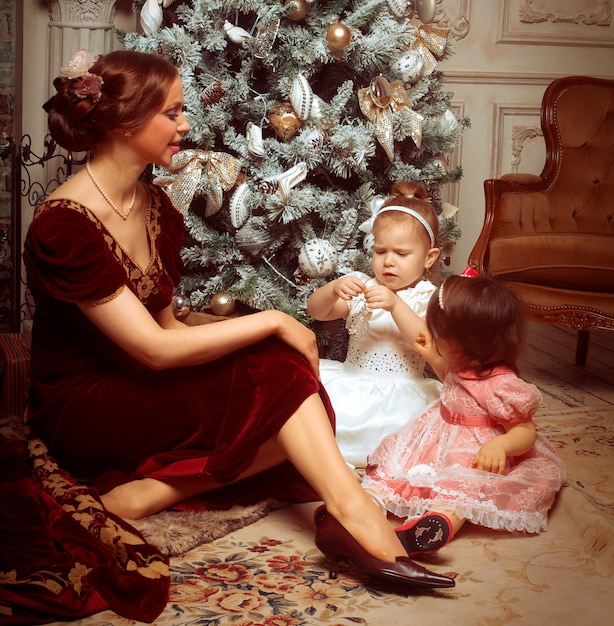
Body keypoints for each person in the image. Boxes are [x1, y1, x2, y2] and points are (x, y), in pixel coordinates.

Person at [22, 49, 454, 592]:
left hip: (142, 377)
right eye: (172, 113)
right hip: (85, 404)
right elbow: (154, 348)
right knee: (278, 369)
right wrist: (273, 319)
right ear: (127, 121)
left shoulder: (154, 205)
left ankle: (169, 492)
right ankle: (359, 516)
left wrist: (268, 339)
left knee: (289, 379)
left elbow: (171, 329)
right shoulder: (65, 225)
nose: (186, 124)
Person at [362, 273, 567, 556]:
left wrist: (501, 445)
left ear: (470, 343)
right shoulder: (460, 363)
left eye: (440, 335)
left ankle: (440, 521)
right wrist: (433, 356)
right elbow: (451, 379)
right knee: (394, 468)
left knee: (461, 489)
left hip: (473, 450)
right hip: (436, 437)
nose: (433, 336)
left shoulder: (502, 385)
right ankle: (368, 503)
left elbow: (524, 431)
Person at [307, 182, 442, 468]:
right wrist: (333, 289)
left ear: (429, 258)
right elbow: (317, 312)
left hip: (403, 393)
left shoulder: (427, 297)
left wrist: (395, 305)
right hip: (351, 383)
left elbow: (425, 339)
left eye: (401, 254)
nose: (388, 262)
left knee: (409, 444)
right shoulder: (365, 288)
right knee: (320, 422)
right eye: (381, 251)